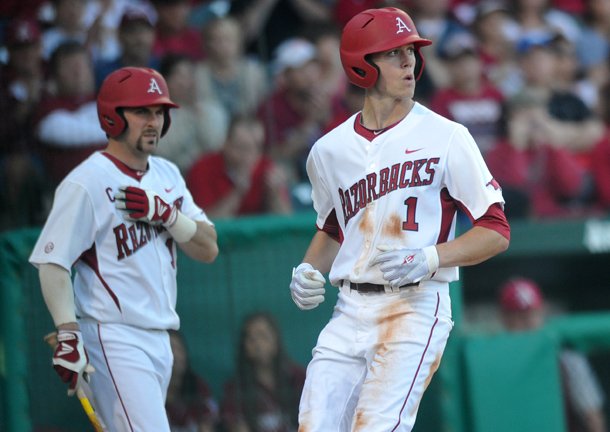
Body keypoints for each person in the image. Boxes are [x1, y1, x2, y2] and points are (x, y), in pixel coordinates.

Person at [288, 8, 510, 431]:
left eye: (411, 50)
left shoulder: (447, 135)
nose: (409, 61)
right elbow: (333, 227)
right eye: (393, 53)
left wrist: (431, 257)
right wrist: (306, 268)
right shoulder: (328, 151)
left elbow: (496, 231)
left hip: (414, 305)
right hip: (348, 307)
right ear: (361, 65)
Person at [28, 66, 219, 431]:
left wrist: (168, 216)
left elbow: (208, 247)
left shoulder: (167, 174)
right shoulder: (87, 181)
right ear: (112, 117)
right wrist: (68, 332)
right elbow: (52, 262)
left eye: (159, 112)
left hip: (160, 338)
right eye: (141, 111)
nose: (154, 121)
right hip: (113, 336)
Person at [498, 277, 607, 432]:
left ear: (541, 312)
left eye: (531, 314)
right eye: (519, 316)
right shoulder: (497, 359)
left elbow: (592, 414)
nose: (528, 322)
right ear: (505, 318)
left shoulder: (565, 354)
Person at [186, 115, 292, 218]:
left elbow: (286, 223)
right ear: (226, 144)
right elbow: (206, 227)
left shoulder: (266, 168)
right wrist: (238, 192)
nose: (250, 155)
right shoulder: (202, 169)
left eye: (257, 148)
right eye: (243, 148)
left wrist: (275, 195)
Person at [220, 312, 306, 432]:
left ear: (276, 340)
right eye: (252, 338)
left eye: (263, 336)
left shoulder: (298, 377)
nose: (258, 344)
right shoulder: (235, 388)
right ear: (244, 346)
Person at [166, 330, 219, 432]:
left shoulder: (198, 387)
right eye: (171, 349)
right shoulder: (149, 389)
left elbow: (207, 426)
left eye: (180, 349)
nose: (176, 356)